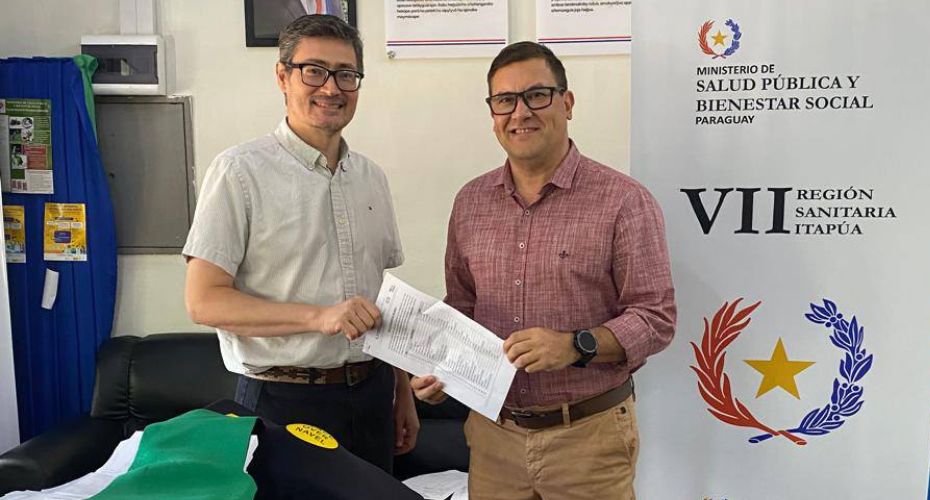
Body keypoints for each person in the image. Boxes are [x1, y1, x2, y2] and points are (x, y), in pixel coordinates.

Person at [411, 41, 676, 499]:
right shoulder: (470, 202)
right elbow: (463, 307)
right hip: (493, 435)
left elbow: (656, 318)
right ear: (492, 113)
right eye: (505, 100)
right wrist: (441, 368)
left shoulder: (624, 201)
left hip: (587, 439)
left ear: (567, 103)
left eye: (537, 95)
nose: (520, 113)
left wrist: (575, 345)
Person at [183, 14, 417, 473]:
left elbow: (378, 296)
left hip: (372, 394)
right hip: (282, 399)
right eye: (314, 71)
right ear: (282, 77)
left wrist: (401, 389)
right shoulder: (239, 172)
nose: (331, 88)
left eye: (346, 74)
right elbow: (203, 301)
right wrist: (319, 316)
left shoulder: (370, 177)